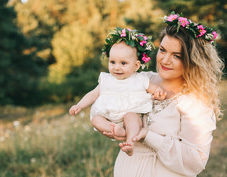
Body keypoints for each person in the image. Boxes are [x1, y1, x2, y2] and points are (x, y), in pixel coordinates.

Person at [104, 12, 224, 177]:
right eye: (162, 50)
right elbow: (116, 111)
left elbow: (195, 159)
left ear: (192, 60)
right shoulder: (142, 81)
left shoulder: (194, 101)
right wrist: (115, 129)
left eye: (176, 55)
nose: (165, 60)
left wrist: (147, 135)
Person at [69, 27, 166, 156]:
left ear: (136, 66)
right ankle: (118, 131)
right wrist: (79, 105)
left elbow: (155, 90)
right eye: (112, 62)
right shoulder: (106, 80)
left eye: (123, 63)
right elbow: (93, 94)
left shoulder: (140, 79)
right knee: (96, 119)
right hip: (110, 119)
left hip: (130, 114)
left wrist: (159, 93)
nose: (116, 67)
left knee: (132, 117)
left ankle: (130, 143)